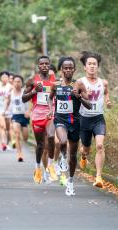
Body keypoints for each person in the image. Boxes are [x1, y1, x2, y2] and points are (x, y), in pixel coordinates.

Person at [48, 56, 91, 195]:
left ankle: (70, 182)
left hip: (75, 122)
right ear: (61, 69)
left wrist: (78, 97)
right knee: (62, 141)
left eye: (70, 68)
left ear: (74, 69)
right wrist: (50, 110)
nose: (68, 70)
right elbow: (50, 97)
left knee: (72, 156)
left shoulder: (78, 84)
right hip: (60, 119)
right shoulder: (55, 84)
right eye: (65, 68)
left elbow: (89, 105)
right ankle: (61, 158)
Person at [79, 51, 112, 188]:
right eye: (89, 64)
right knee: (85, 149)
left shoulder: (103, 82)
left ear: (97, 66)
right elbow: (75, 97)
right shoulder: (80, 82)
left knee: (99, 146)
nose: (92, 66)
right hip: (84, 119)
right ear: (85, 67)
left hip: (98, 119)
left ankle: (98, 177)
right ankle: (84, 157)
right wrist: (85, 94)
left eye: (94, 64)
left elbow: (106, 94)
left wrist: (108, 101)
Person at [22, 56, 57, 184]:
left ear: (49, 65)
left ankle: (51, 165)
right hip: (37, 115)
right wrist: (33, 92)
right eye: (41, 64)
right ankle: (37, 167)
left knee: (52, 136)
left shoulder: (55, 81)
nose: (44, 66)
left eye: (46, 64)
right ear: (38, 66)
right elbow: (23, 98)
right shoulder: (32, 81)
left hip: (50, 114)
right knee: (41, 145)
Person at [11, 75, 30, 161]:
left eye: (19, 81)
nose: (17, 83)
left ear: (22, 83)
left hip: (24, 116)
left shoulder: (25, 92)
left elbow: (31, 103)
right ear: (13, 82)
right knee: (17, 134)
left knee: (25, 137)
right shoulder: (10, 92)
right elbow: (7, 103)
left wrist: (28, 111)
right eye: (15, 81)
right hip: (15, 115)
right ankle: (19, 153)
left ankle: (21, 144)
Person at [0, 71, 12, 151]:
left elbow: (10, 99)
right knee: (2, 126)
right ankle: (3, 143)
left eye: (6, 77)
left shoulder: (10, 87)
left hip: (9, 110)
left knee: (8, 129)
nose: (4, 79)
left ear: (8, 78)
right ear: (0, 78)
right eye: (3, 77)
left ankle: (8, 143)